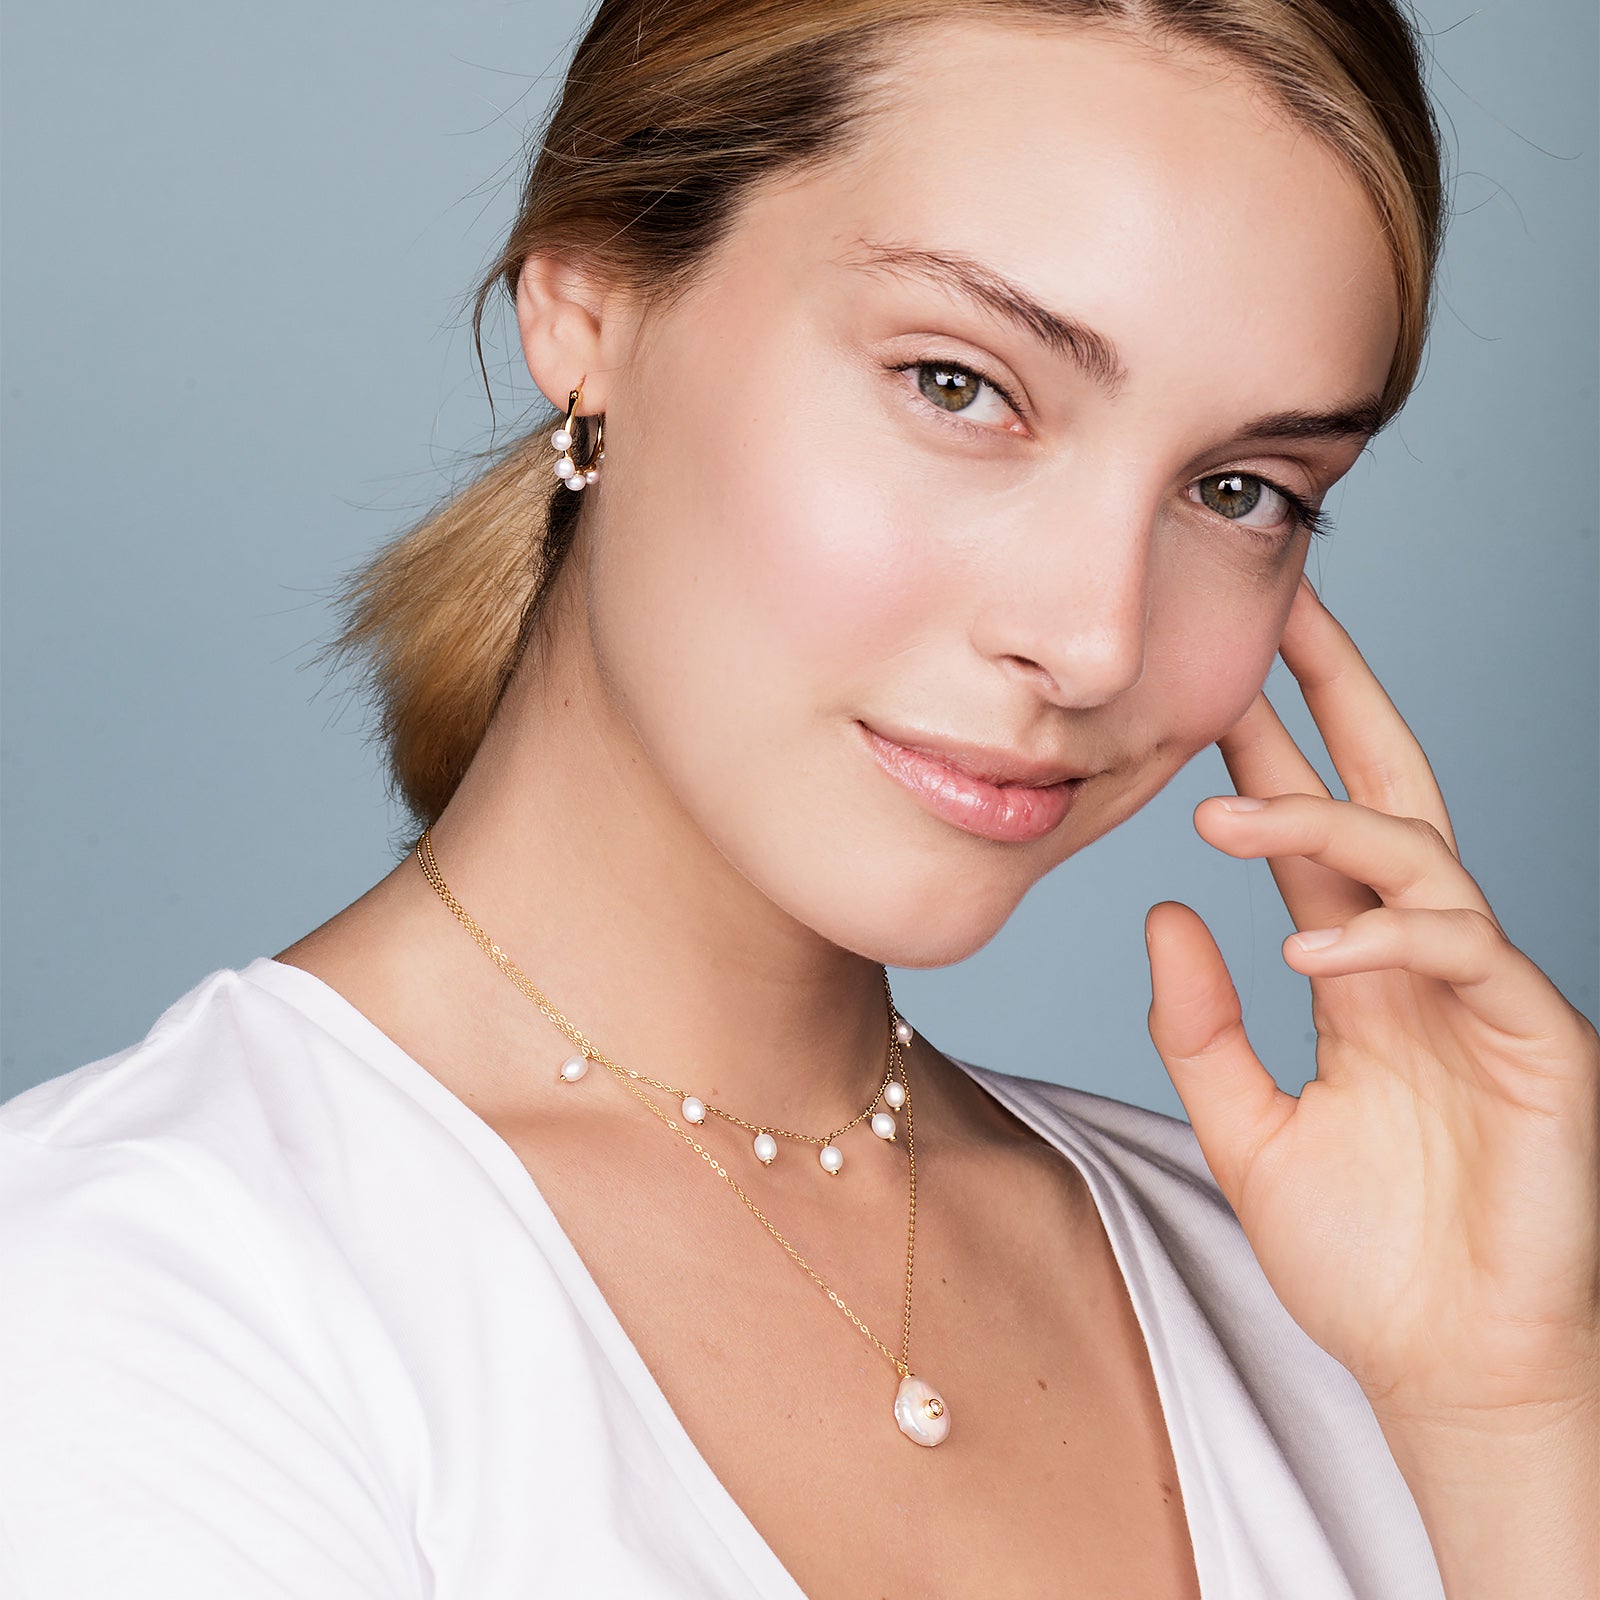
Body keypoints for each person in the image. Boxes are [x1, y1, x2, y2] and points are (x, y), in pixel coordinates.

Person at [2, 1, 1595, 1596]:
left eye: (1242, 491)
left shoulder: (1363, 1306)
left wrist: (1508, 1411)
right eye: (959, 385)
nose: (1095, 638)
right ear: (590, 301)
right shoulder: (144, 1294)